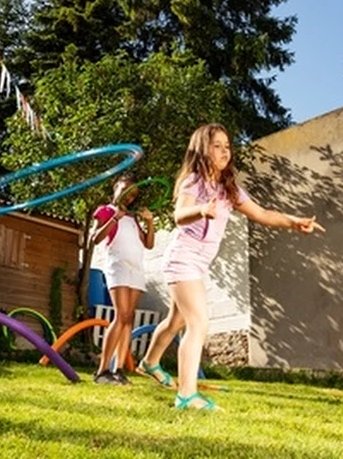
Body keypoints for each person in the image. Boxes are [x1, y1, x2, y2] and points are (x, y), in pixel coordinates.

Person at [136, 123, 323, 410]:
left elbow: (261, 213)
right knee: (198, 322)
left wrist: (293, 222)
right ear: (202, 149)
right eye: (217, 145)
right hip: (183, 258)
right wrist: (200, 209)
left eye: (227, 145)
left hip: (198, 263)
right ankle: (187, 395)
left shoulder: (229, 188)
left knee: (177, 320)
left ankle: (149, 363)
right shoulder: (194, 182)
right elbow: (178, 215)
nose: (225, 150)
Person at [88, 175, 155, 385]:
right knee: (121, 315)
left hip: (136, 269)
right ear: (116, 187)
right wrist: (115, 218)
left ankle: (118, 370)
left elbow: (149, 244)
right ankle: (102, 371)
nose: (129, 196)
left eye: (134, 194)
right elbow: (95, 238)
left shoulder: (133, 218)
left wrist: (150, 222)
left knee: (129, 318)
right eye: (126, 190)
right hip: (117, 266)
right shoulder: (105, 210)